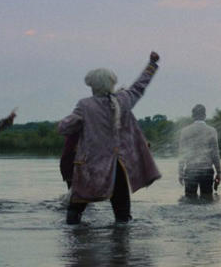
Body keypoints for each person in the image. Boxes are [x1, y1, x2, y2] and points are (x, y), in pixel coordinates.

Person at [58, 51, 162, 224]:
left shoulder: (85, 105)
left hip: (91, 165)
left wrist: (68, 124)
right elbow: (139, 86)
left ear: (92, 86)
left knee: (76, 207)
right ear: (112, 83)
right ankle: (121, 246)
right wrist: (151, 65)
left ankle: (75, 244)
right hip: (118, 165)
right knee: (122, 213)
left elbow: (64, 128)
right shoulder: (124, 99)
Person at [177, 104, 221, 199]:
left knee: (189, 202)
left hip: (190, 171)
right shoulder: (212, 131)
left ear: (193, 116)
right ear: (204, 115)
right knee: (207, 201)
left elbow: (182, 154)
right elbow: (215, 154)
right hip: (207, 171)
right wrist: (219, 172)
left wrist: (180, 172)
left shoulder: (185, 131)